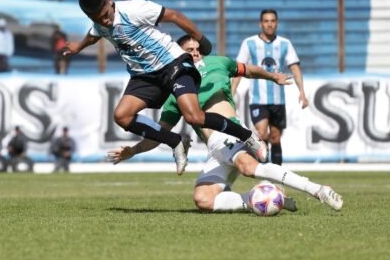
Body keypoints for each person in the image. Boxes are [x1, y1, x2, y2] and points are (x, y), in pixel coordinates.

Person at [110, 35, 343, 212]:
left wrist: (273, 76)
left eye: (197, 49)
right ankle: (260, 198)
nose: (195, 53)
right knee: (203, 200)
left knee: (249, 168)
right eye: (188, 51)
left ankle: (319, 190)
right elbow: (159, 133)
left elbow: (247, 70)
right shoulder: (174, 91)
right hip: (214, 150)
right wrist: (134, 150)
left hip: (231, 135)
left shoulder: (217, 63)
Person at [61, 0, 268, 175]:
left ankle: (247, 135)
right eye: (98, 19)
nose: (105, 21)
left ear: (109, 0)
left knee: (194, 117)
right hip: (144, 75)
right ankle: (175, 142)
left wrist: (201, 39)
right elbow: (94, 34)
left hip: (173, 64)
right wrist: (78, 46)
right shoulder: (100, 23)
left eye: (106, 15)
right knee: (122, 116)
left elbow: (174, 16)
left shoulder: (134, 9)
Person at [233, 9, 307, 166]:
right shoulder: (249, 43)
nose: (269, 24)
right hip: (257, 98)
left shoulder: (285, 44)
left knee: (275, 138)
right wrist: (231, 93)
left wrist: (302, 92)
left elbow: (294, 68)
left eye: (272, 21)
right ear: (260, 24)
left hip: (278, 100)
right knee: (261, 134)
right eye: (266, 21)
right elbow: (239, 69)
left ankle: (278, 177)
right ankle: (263, 174)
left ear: (277, 23)